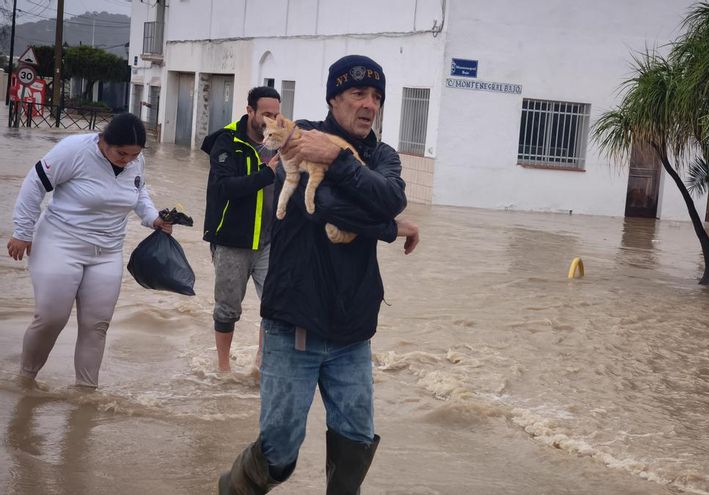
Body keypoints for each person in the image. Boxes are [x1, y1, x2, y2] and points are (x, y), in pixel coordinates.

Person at [218, 55, 420, 494]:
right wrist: (387, 228)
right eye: (358, 94)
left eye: (377, 97)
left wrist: (344, 165)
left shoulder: (382, 156)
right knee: (279, 456)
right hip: (295, 321)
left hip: (353, 327)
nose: (369, 105)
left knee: (355, 448)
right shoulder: (302, 137)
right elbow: (322, 208)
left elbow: (390, 198)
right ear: (334, 97)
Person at [6, 112, 173, 388]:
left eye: (134, 155)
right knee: (51, 318)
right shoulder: (73, 150)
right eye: (122, 153)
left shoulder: (135, 161)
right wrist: (23, 232)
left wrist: (154, 218)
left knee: (97, 326)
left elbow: (138, 192)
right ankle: (25, 380)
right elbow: (34, 184)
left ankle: (85, 394)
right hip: (59, 243)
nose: (128, 160)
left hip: (107, 252)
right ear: (103, 141)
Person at [201, 86, 282, 372]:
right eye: (266, 114)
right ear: (250, 111)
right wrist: (266, 173)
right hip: (232, 240)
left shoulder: (281, 141)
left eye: (276, 114)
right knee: (227, 309)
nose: (272, 121)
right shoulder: (226, 142)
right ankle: (223, 368)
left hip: (270, 241)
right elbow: (225, 188)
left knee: (277, 306)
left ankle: (261, 363)